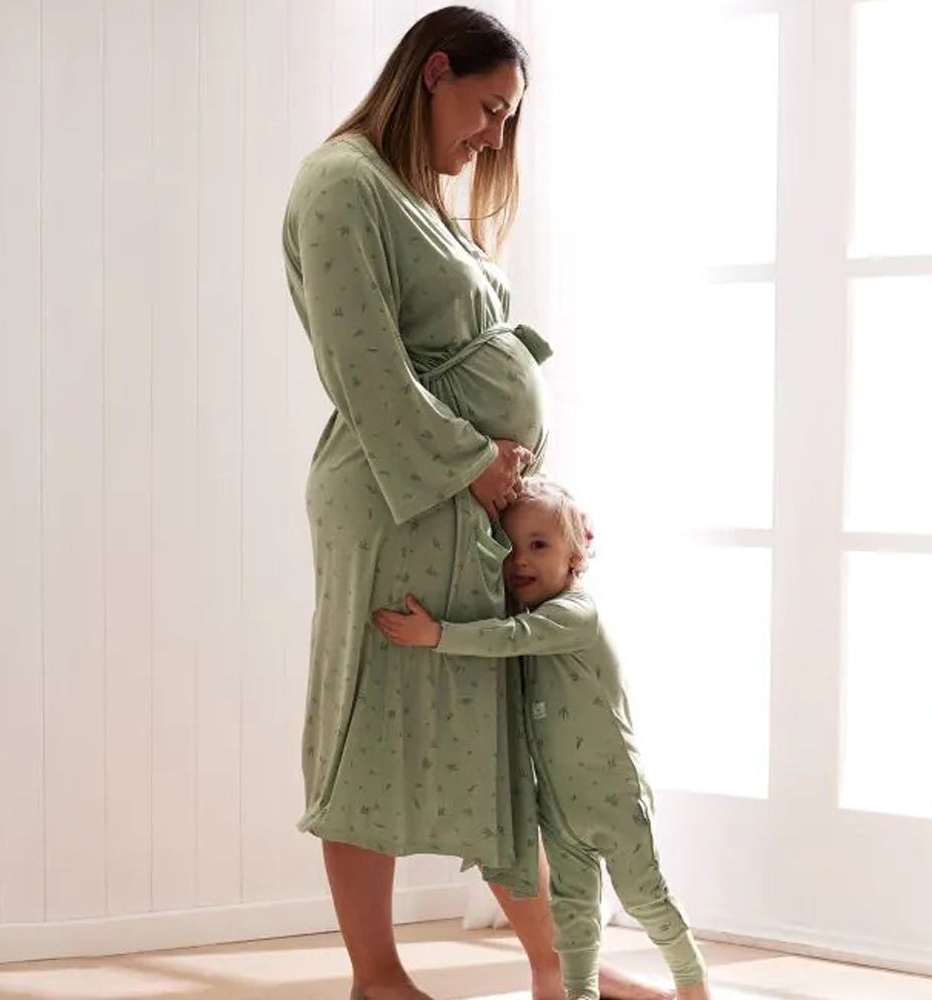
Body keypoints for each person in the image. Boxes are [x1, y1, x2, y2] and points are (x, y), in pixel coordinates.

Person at [283, 6, 677, 999]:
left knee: (496, 734)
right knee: (368, 726)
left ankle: (559, 964)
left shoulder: (411, 194)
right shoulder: (340, 184)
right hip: (394, 502)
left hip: (461, 504)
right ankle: (378, 975)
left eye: (509, 117)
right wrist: (472, 462)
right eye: (490, 107)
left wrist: (507, 484)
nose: (495, 136)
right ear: (433, 74)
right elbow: (362, 366)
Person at [373, 478, 713, 1000]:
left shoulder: (575, 616)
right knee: (572, 915)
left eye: (539, 545)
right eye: (510, 548)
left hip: (613, 795)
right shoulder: (530, 613)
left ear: (574, 558)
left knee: (645, 897)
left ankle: (693, 984)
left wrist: (438, 634)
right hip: (559, 807)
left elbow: (513, 638)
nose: (521, 561)